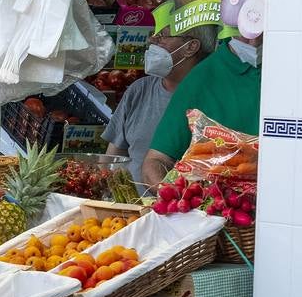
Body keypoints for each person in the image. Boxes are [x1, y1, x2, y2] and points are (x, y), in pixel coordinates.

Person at [103, 15, 218, 183]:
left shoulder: (213, 96)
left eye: (163, 35)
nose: (152, 39)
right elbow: (113, 159)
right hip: (134, 208)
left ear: (191, 47)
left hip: (184, 206)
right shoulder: (139, 90)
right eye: (154, 33)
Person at [141, 32, 263, 188]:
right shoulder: (202, 78)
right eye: (245, 30)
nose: (253, 40)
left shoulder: (297, 72)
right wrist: (173, 197)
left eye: (262, 30)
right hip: (214, 208)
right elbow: (156, 160)